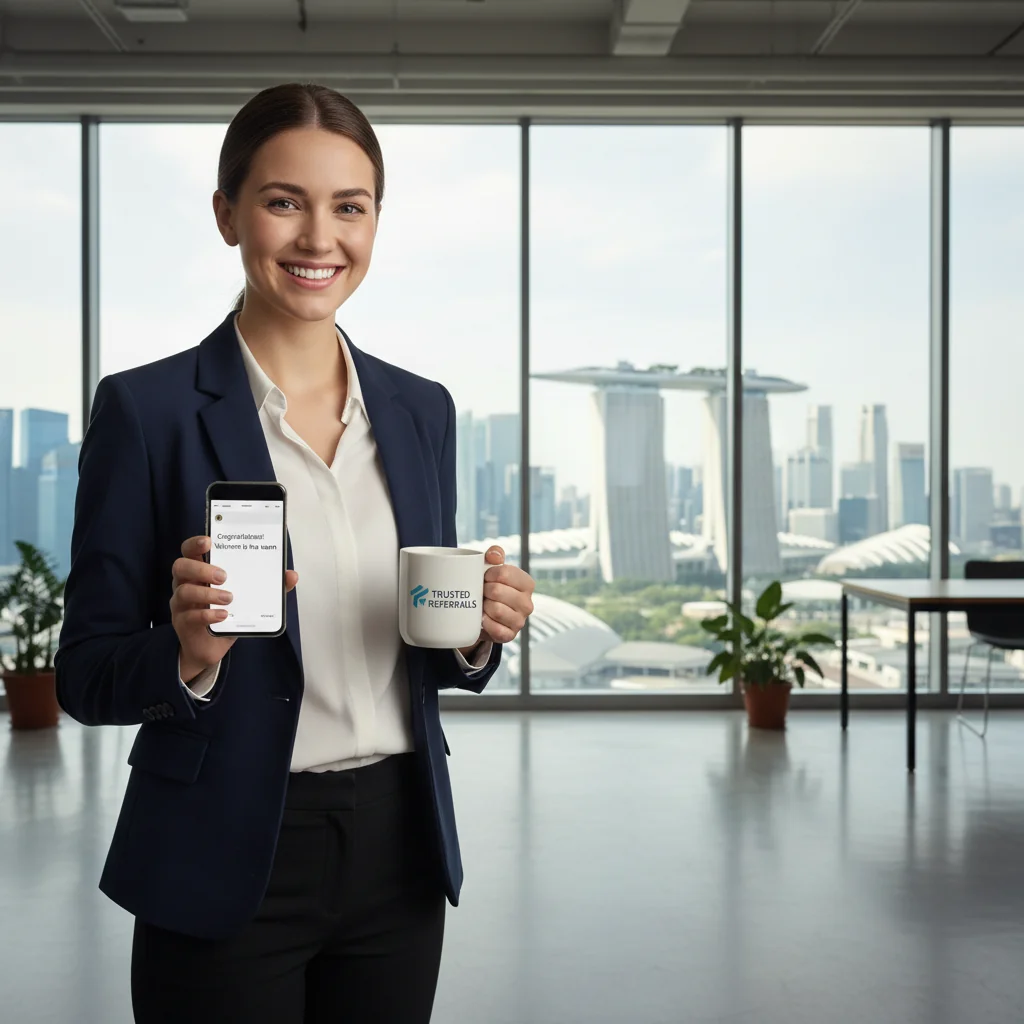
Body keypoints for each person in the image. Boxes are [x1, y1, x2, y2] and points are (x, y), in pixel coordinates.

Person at [54, 82, 535, 1024]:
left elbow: (423, 639)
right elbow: (83, 675)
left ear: (375, 222)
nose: (321, 239)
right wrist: (186, 655)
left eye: (349, 207)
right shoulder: (146, 413)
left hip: (399, 847)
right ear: (228, 214)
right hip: (221, 845)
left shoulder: (418, 408)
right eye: (284, 201)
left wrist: (478, 632)